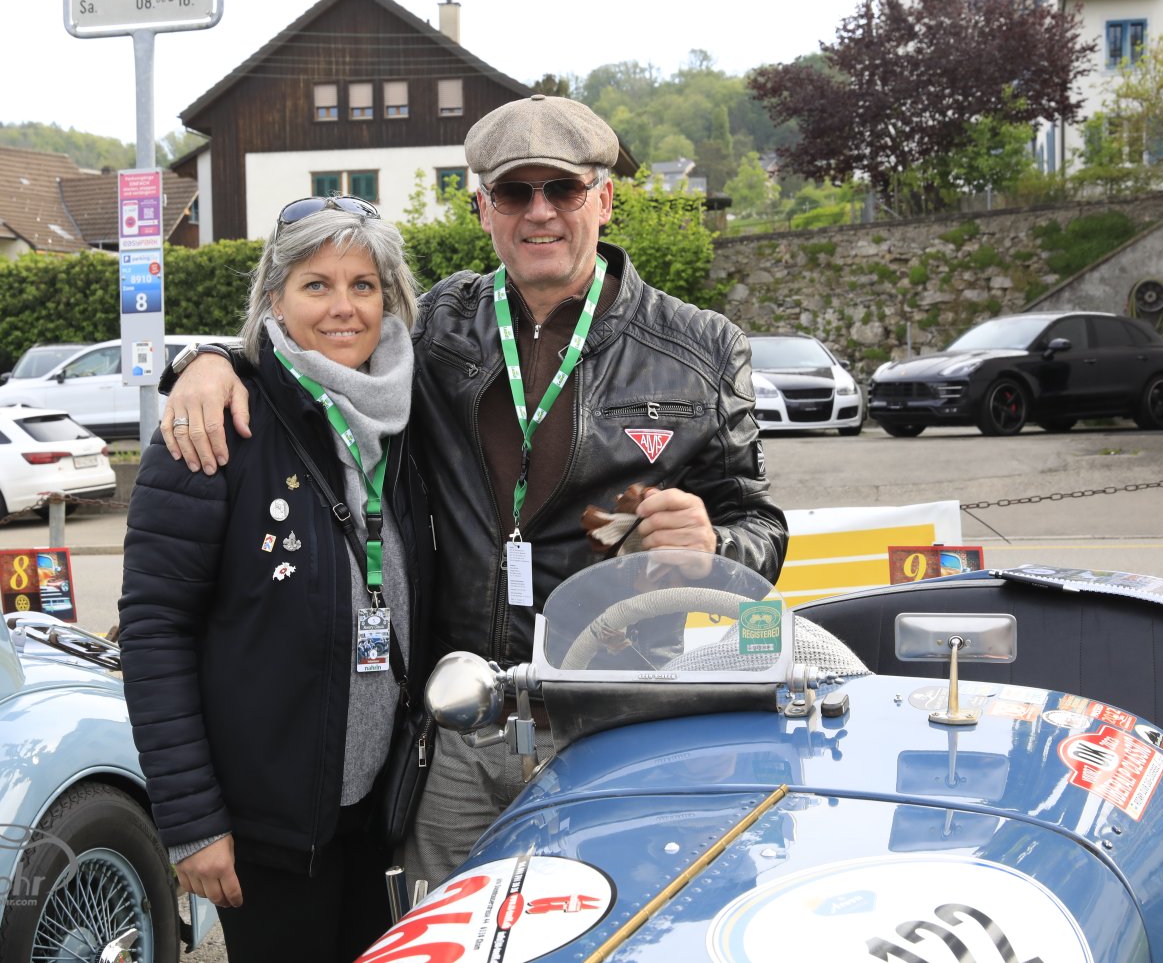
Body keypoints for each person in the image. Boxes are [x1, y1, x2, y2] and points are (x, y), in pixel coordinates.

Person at [157, 94, 789, 886]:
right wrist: (212, 360)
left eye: (562, 188)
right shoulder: (438, 326)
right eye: (514, 192)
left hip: (613, 724)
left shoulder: (701, 348)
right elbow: (317, 345)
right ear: (484, 209)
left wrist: (716, 545)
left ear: (604, 199)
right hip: (460, 721)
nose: (540, 212)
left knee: (603, 918)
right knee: (450, 930)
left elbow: (759, 526)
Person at [116, 200, 432, 962]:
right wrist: (192, 821)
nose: (343, 306)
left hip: (380, 816)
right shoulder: (217, 422)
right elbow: (154, 631)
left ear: (388, 298)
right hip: (266, 831)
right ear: (275, 299)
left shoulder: (408, 414)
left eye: (362, 284)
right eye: (316, 284)